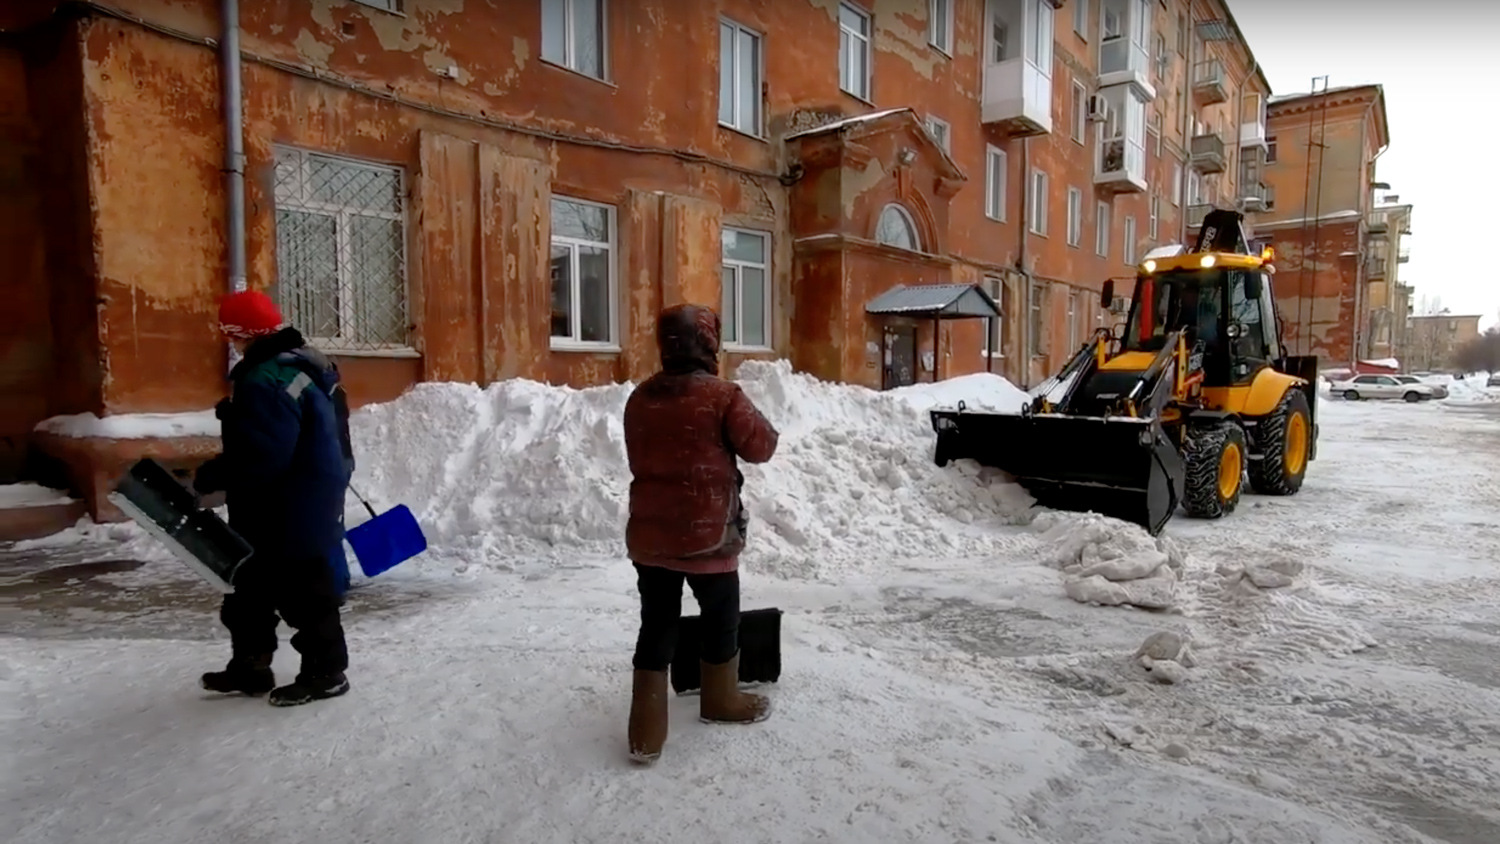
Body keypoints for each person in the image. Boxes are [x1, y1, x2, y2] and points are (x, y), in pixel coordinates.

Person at [622, 303, 780, 764]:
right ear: (708, 341)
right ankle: (720, 699)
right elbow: (762, 447)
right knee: (721, 616)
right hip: (709, 537)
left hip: (650, 539)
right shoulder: (724, 396)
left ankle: (645, 734)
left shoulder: (640, 397)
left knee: (657, 623)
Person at [193, 290, 355, 707]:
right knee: (248, 582)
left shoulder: (266, 377)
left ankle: (326, 672)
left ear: (238, 333)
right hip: (298, 491)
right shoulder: (304, 362)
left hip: (289, 499)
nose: (230, 342)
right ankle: (251, 665)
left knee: (304, 588)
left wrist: (216, 473)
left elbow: (265, 453)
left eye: (230, 334)